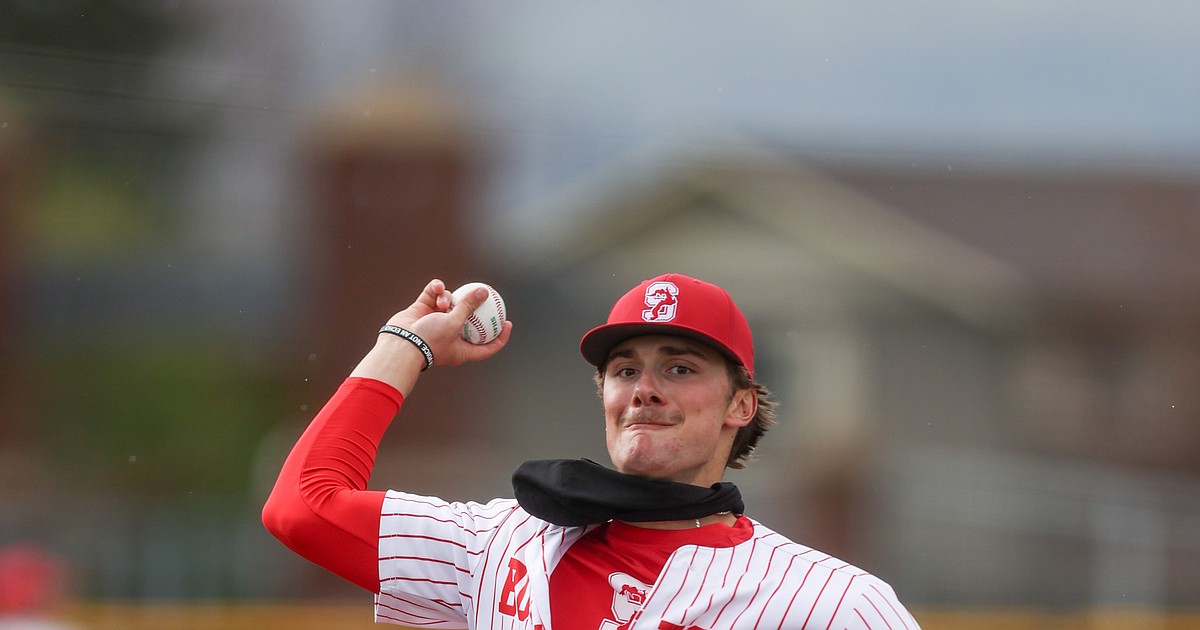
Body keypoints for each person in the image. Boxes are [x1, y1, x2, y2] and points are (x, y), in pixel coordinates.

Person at [263, 273, 920, 629]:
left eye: (680, 368)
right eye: (625, 370)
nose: (644, 390)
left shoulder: (828, 603)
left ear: (740, 406)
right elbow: (304, 508)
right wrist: (405, 344)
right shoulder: (504, 544)